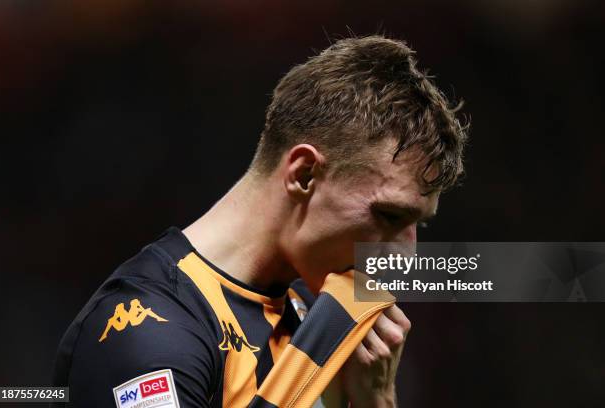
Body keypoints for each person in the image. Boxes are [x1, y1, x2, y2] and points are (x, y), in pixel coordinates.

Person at [53, 35, 467, 407]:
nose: (406, 251)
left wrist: (377, 402)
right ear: (303, 174)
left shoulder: (314, 310)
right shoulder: (148, 336)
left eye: (420, 224)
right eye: (389, 214)